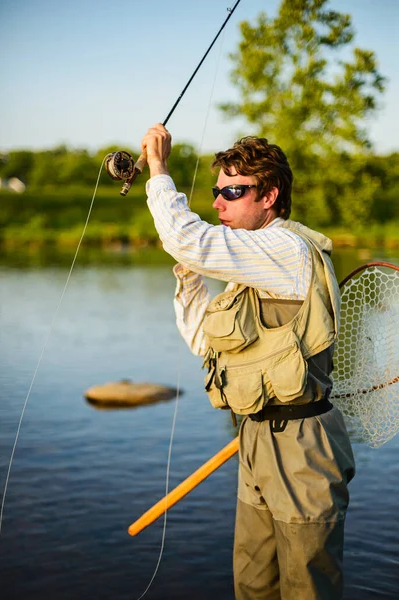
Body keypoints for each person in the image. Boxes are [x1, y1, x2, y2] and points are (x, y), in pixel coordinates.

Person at [141, 123, 355, 600]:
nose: (217, 203)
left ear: (269, 196)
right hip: (254, 436)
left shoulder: (285, 250)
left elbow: (187, 237)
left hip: (304, 447)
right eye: (217, 191)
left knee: (306, 586)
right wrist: (191, 276)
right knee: (254, 583)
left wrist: (158, 169)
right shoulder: (251, 268)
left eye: (232, 191)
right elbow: (204, 342)